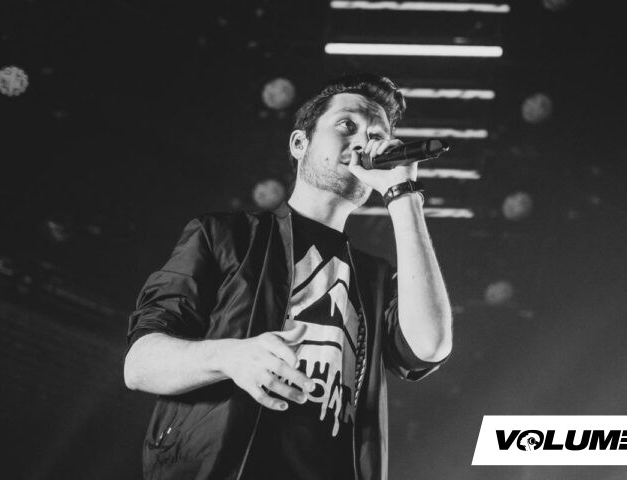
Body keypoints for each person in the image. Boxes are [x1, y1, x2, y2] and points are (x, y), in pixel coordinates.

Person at [124, 73, 453, 480]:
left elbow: (429, 347)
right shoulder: (224, 236)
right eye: (346, 125)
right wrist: (229, 356)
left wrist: (403, 194)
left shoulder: (375, 279)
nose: (362, 143)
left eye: (376, 136)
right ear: (300, 144)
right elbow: (139, 365)